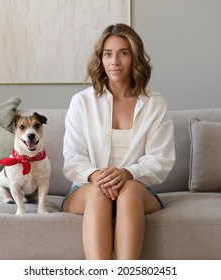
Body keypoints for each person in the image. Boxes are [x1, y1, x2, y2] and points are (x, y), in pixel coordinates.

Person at [62, 23, 175, 260]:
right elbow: (73, 159)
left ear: (135, 57)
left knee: (130, 191)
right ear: (100, 59)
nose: (115, 61)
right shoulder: (82, 102)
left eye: (123, 52)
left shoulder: (155, 104)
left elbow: (160, 160)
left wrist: (127, 173)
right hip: (87, 188)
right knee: (98, 193)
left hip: (137, 189)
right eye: (108, 54)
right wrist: (96, 176)